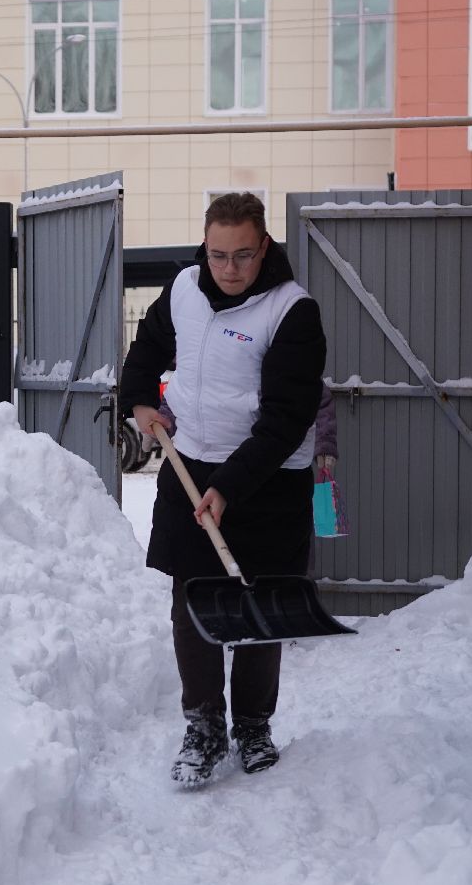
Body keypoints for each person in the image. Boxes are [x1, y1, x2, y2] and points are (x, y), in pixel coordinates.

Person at [118, 192, 326, 785]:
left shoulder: (292, 312)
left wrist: (231, 487)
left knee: (258, 597)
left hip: (269, 476)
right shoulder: (184, 287)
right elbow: (150, 345)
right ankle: (203, 724)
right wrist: (138, 399)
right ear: (203, 248)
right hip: (192, 465)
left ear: (263, 248)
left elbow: (288, 419)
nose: (228, 269)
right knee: (194, 598)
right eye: (217, 255)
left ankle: (253, 724)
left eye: (241, 255)